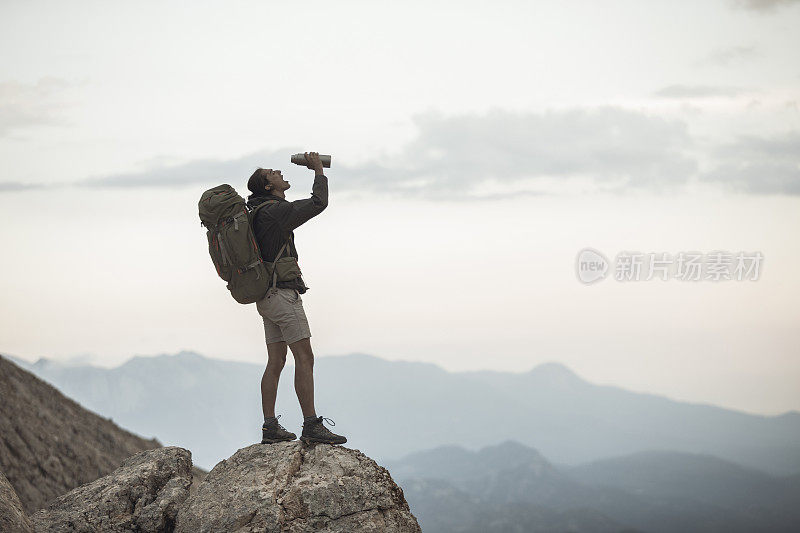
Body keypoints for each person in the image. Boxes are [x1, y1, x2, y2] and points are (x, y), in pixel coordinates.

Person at [245, 151, 347, 445]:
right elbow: (318, 203)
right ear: (268, 187)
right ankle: (311, 424)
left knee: (276, 360)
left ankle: (269, 427)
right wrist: (318, 171)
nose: (278, 171)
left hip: (266, 297)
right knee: (305, 356)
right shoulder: (275, 212)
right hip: (283, 295)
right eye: (271, 173)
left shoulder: (257, 211)